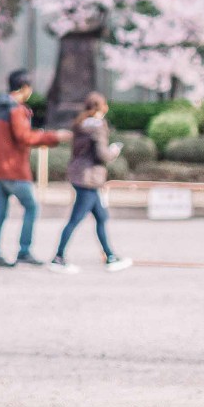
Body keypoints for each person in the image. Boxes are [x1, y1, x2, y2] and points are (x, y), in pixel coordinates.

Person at [0, 69, 67, 268]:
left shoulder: (0, 105)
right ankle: (24, 250)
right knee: (32, 207)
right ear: (24, 87)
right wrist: (53, 137)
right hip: (14, 169)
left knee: (0, 212)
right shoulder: (15, 109)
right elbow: (25, 137)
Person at [49, 92, 133, 273]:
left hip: (79, 175)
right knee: (75, 219)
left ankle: (110, 256)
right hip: (90, 178)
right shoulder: (98, 126)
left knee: (101, 217)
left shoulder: (80, 124)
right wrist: (114, 151)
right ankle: (58, 257)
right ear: (101, 107)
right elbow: (102, 154)